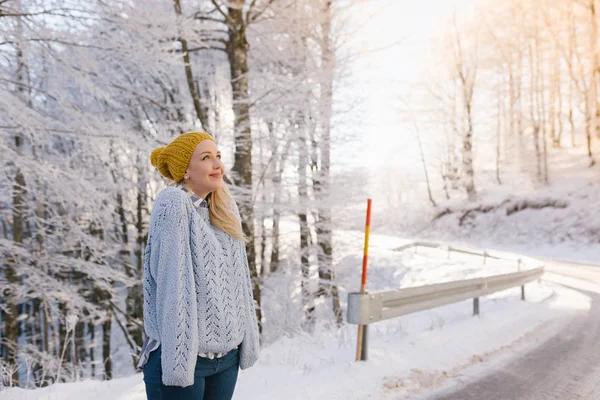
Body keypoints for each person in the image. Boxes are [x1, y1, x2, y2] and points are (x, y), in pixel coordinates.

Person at [138, 131, 260, 400]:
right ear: (186, 171)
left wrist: (244, 341)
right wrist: (181, 365)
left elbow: (240, 284)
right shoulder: (173, 205)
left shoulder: (224, 209)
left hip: (226, 359)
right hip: (182, 358)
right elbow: (173, 286)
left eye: (218, 156)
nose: (217, 164)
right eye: (206, 158)